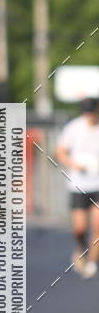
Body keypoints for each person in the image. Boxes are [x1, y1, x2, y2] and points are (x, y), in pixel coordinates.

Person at [56, 96, 99, 278]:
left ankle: (91, 262)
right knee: (79, 228)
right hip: (79, 184)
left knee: (98, 225)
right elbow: (60, 152)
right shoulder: (73, 128)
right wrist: (74, 165)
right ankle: (81, 249)